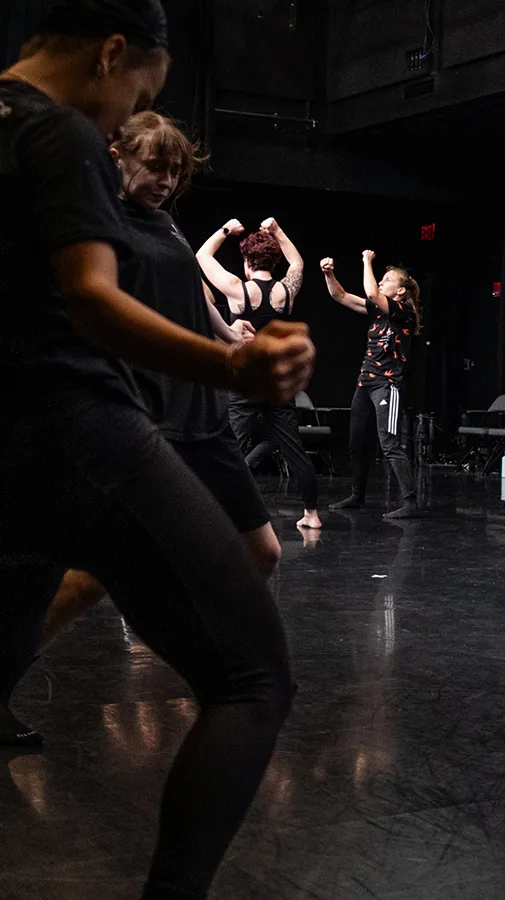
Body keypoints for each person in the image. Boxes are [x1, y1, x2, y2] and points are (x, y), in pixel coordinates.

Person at [0, 3, 313, 896]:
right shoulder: (58, 133)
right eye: (142, 86)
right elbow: (94, 303)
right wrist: (235, 365)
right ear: (110, 53)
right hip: (79, 431)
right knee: (254, 680)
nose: (130, 108)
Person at [4, 111, 287, 724]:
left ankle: (222, 670)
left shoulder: (163, 220)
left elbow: (194, 293)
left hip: (203, 412)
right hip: (144, 413)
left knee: (262, 551)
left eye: (176, 171)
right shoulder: (98, 225)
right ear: (117, 157)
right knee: (86, 580)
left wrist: (228, 337)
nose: (166, 180)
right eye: (156, 166)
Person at [197, 214, 322, 528]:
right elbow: (299, 263)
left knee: (233, 446)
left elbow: (201, 256)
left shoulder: (237, 288)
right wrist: (278, 230)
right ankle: (312, 515)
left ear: (246, 261)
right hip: (277, 382)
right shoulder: (285, 291)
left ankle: (218, 509)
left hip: (245, 381)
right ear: (273, 261)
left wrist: (227, 229)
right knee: (293, 447)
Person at [321, 252, 422, 518]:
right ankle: (358, 494)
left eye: (386, 279)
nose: (380, 282)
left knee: (389, 442)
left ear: (400, 290)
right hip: (365, 384)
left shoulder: (404, 312)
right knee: (356, 441)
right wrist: (328, 274)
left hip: (387, 386)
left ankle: (410, 501)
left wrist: (366, 261)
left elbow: (374, 293)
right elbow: (340, 296)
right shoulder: (377, 311)